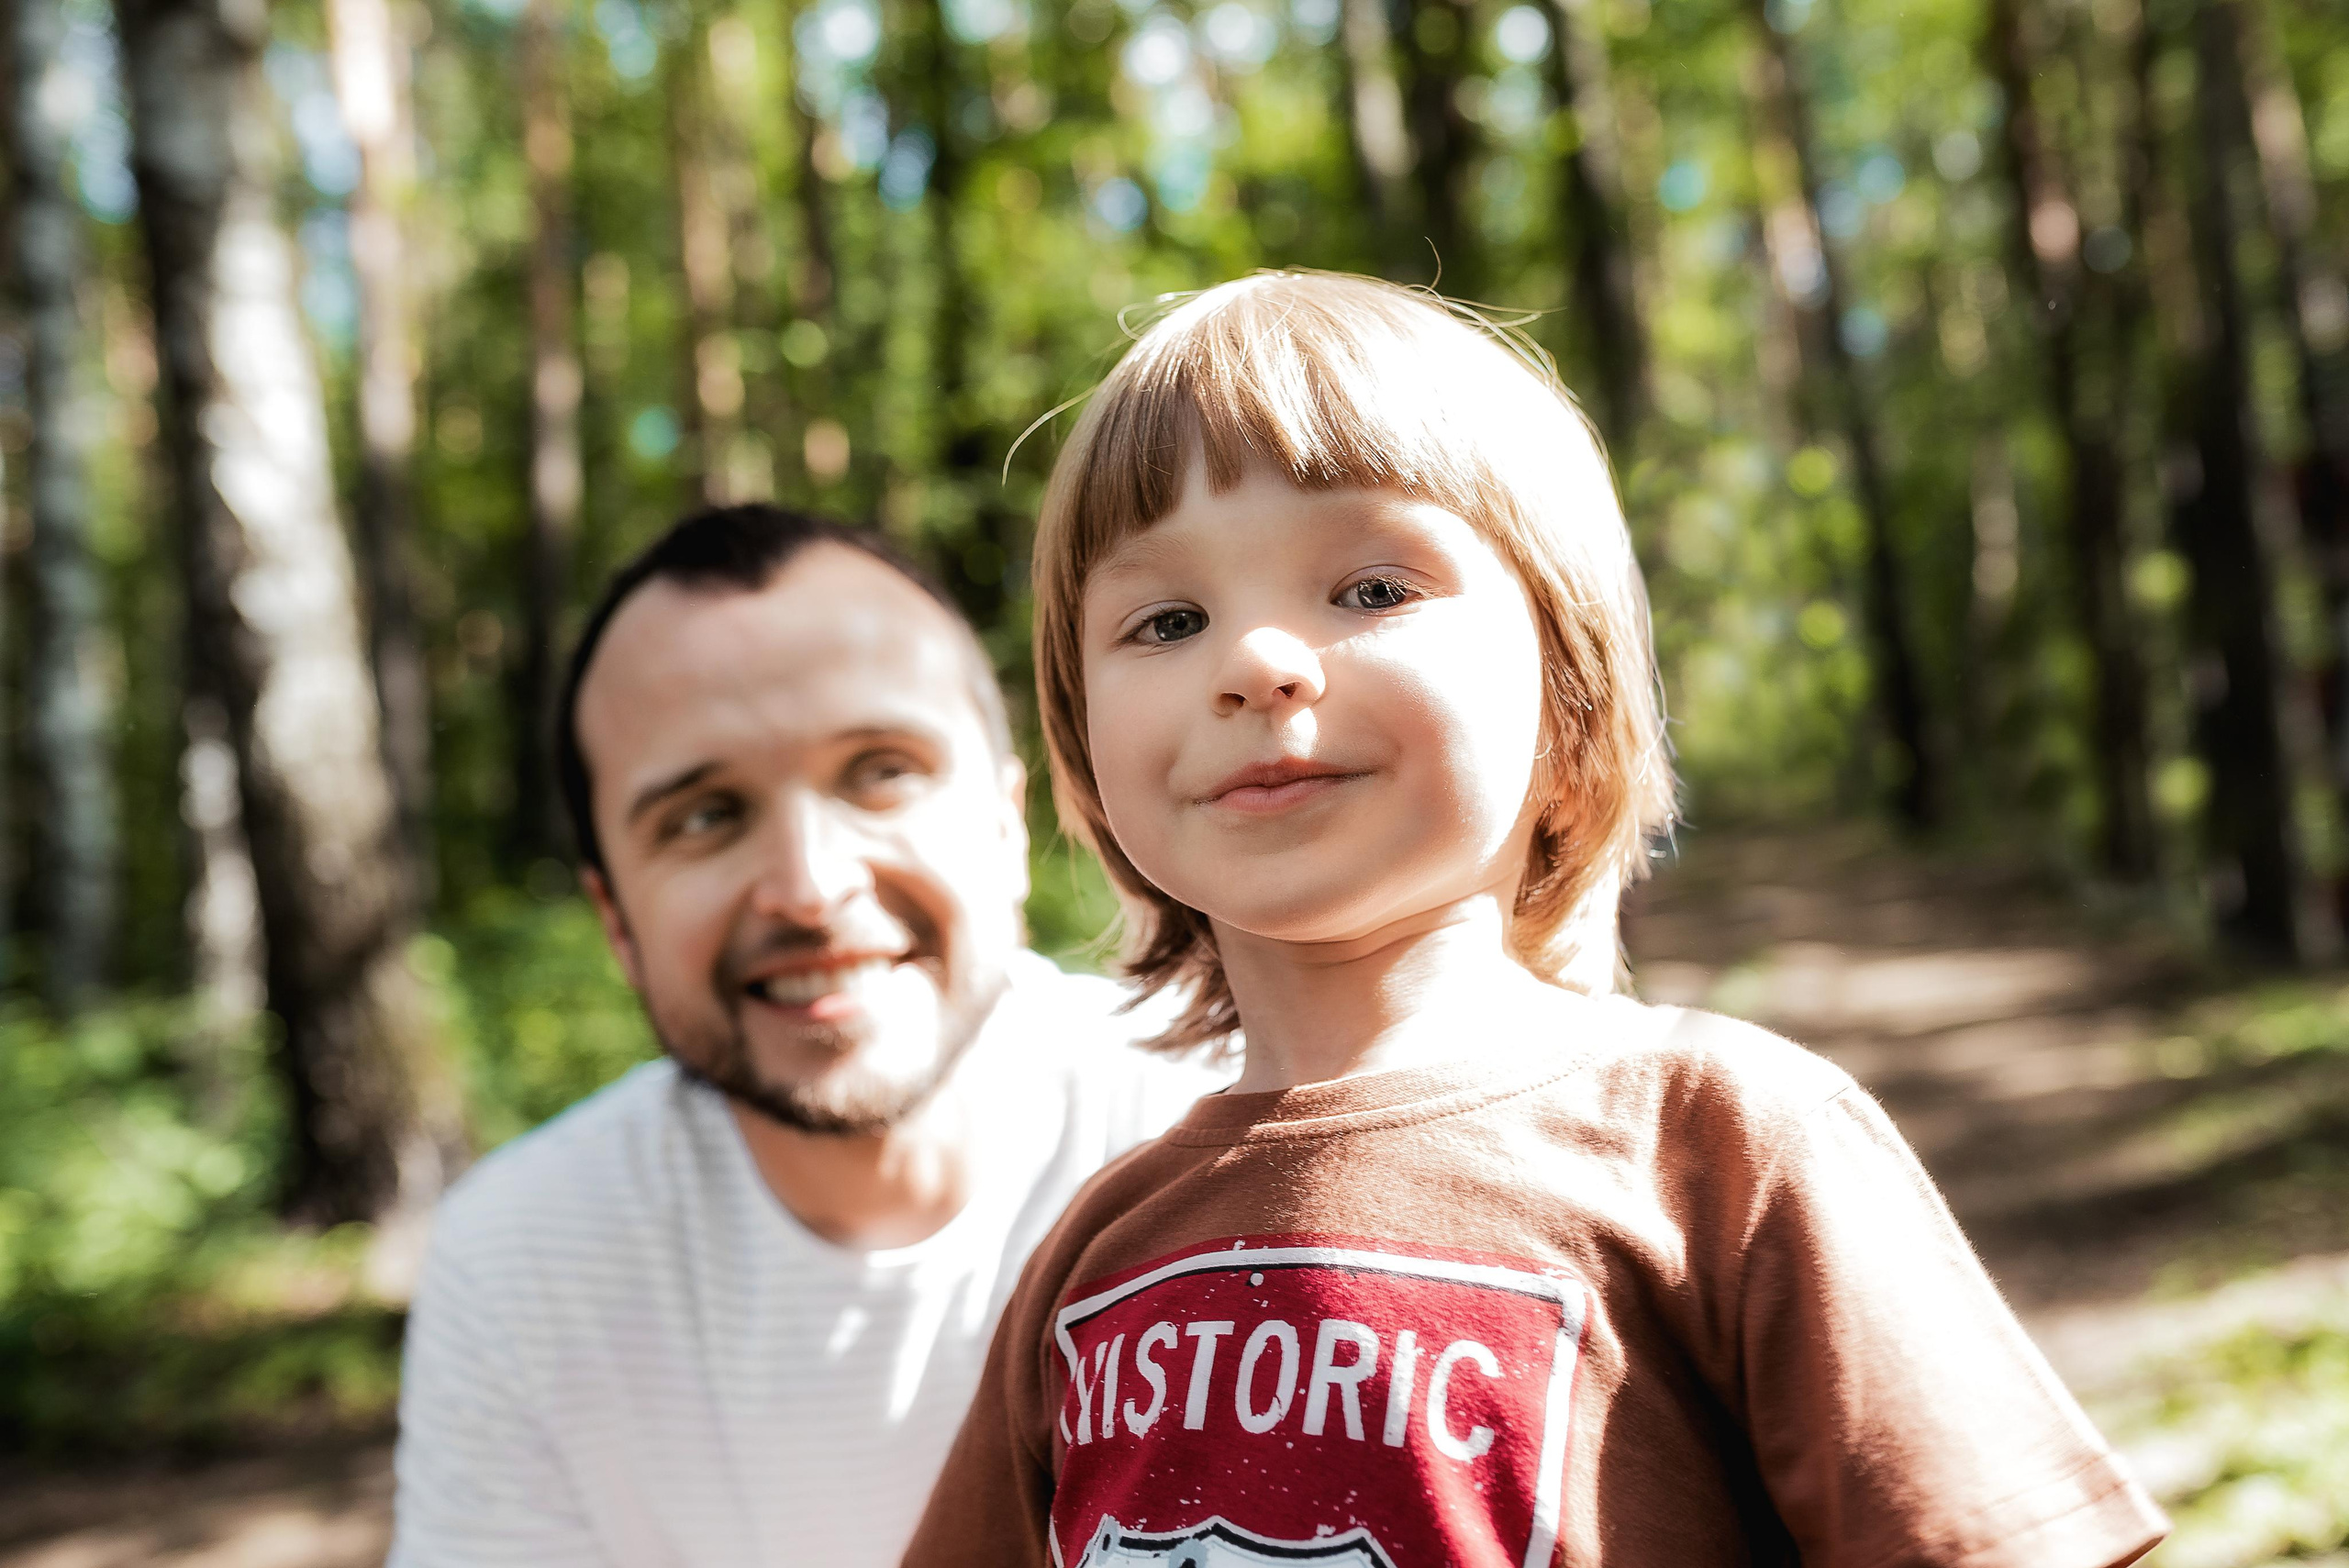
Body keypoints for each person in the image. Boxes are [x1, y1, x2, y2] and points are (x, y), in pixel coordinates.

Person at [901, 273, 2167, 1568]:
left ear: (1566, 702)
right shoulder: (1092, 1262)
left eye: (1372, 589)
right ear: (1084, 748)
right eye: (1167, 620)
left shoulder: (1720, 1147)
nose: (1256, 662)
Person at [389, 505, 1220, 1567]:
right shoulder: (522, 1260)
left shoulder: (1231, 1126)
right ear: (617, 922)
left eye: (880, 770)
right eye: (702, 816)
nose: (809, 888)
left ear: (1010, 822)